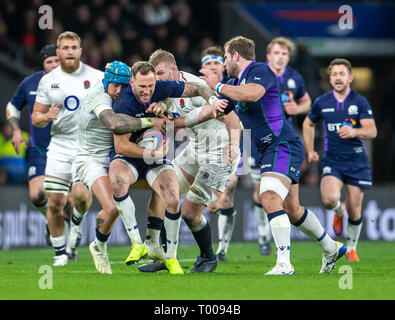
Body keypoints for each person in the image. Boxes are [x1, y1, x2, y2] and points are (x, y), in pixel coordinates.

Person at [201, 35, 347, 275]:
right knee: (292, 209)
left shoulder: (260, 70)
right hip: (268, 149)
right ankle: (331, 248)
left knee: (268, 197)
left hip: (282, 145)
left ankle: (284, 264)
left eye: (226, 57)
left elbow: (253, 94)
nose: (224, 63)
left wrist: (217, 85)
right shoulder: (237, 81)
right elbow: (221, 110)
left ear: (236, 55)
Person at [109, 61, 218, 274]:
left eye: (151, 86)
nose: (148, 91)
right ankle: (137, 243)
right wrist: (151, 143)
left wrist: (213, 98)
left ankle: (171, 258)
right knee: (117, 180)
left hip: (156, 158)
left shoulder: (161, 88)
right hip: (130, 155)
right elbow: (120, 145)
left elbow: (197, 88)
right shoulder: (123, 103)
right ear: (132, 82)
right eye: (142, 86)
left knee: (172, 198)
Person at [138, 49, 240, 273]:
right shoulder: (160, 92)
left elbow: (232, 117)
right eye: (155, 75)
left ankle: (208, 258)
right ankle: (161, 255)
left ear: (175, 70)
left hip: (218, 152)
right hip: (194, 149)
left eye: (162, 73)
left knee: (190, 213)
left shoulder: (195, 87)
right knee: (164, 194)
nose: (158, 80)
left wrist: (233, 146)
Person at [73, 60, 167, 274]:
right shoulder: (99, 97)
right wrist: (150, 122)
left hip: (116, 156)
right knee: (112, 207)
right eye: (115, 86)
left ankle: (153, 242)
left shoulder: (127, 95)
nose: (119, 91)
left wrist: (161, 107)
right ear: (106, 83)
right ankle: (109, 246)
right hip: (91, 159)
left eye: (124, 86)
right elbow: (115, 124)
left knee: (160, 187)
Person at [32, 31, 103, 266]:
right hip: (60, 146)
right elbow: (35, 117)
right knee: (54, 201)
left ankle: (77, 223)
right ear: (59, 51)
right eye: (65, 48)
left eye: (74, 47)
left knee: (81, 198)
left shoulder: (96, 77)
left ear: (80, 50)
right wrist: (46, 116)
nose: (70, 51)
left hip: (86, 145)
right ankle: (60, 253)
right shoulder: (48, 80)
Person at [303, 58, 377, 262]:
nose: (337, 77)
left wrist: (354, 131)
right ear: (330, 77)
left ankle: (352, 248)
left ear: (350, 78)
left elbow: (372, 130)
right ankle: (338, 209)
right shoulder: (322, 102)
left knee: (355, 209)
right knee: (328, 200)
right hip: (332, 160)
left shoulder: (359, 101)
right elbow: (308, 124)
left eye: (341, 74)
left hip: (356, 161)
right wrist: (310, 151)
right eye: (334, 74)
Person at [248, 37, 312, 256]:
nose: (280, 57)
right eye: (276, 53)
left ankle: (272, 237)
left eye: (284, 54)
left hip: (284, 142)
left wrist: (298, 107)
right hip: (260, 141)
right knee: (261, 194)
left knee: (284, 200)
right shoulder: (259, 74)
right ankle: (263, 233)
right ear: (268, 55)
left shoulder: (294, 78)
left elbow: (307, 102)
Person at [5, 44, 72, 245]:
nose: (53, 65)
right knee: (37, 196)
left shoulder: (76, 83)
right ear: (43, 64)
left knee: (66, 201)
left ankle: (60, 224)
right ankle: (51, 218)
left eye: (56, 61)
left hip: (68, 150)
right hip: (40, 150)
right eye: (48, 62)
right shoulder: (30, 83)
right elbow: (11, 107)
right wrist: (16, 130)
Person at [200, 45, 240, 262]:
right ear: (201, 68)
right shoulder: (196, 89)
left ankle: (222, 248)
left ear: (224, 65)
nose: (213, 66)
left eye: (216, 62)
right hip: (202, 150)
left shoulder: (233, 88)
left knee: (227, 192)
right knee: (217, 198)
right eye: (208, 63)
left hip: (232, 147)